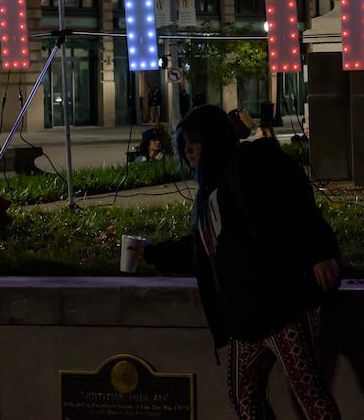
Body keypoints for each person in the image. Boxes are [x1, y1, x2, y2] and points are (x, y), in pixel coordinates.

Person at [142, 105, 342, 420]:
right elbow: (204, 251)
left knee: (309, 395)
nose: (188, 150)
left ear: (215, 140)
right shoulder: (207, 194)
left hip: (282, 307)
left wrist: (318, 253)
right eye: (184, 144)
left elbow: (296, 202)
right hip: (244, 318)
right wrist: (150, 253)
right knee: (244, 399)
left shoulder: (248, 163)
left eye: (196, 142)